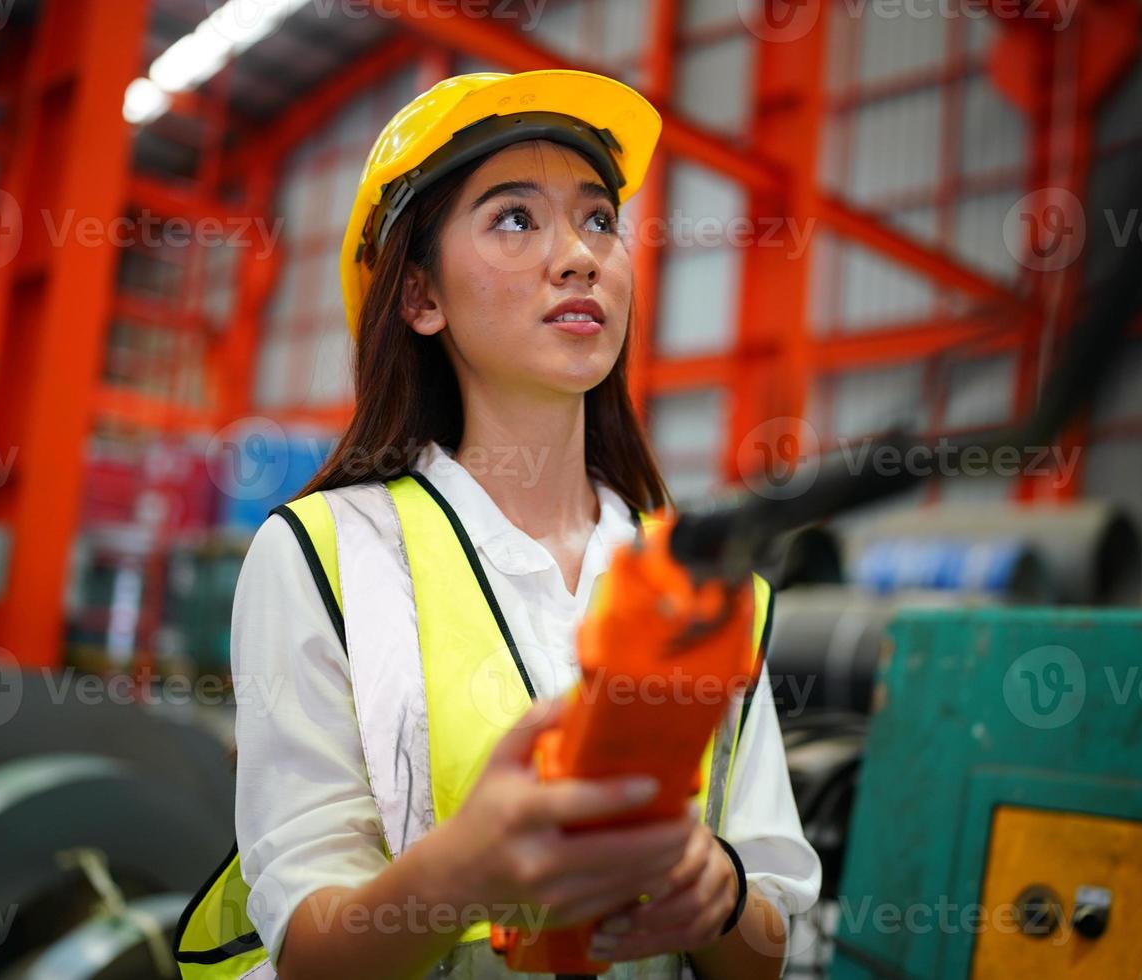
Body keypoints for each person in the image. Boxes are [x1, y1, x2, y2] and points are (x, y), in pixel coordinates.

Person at [174, 68, 820, 980]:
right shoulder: (325, 557)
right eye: (515, 219)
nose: (580, 255)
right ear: (420, 298)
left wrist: (714, 894)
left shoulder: (712, 592)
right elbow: (310, 956)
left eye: (599, 220)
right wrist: (465, 872)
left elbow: (765, 952)